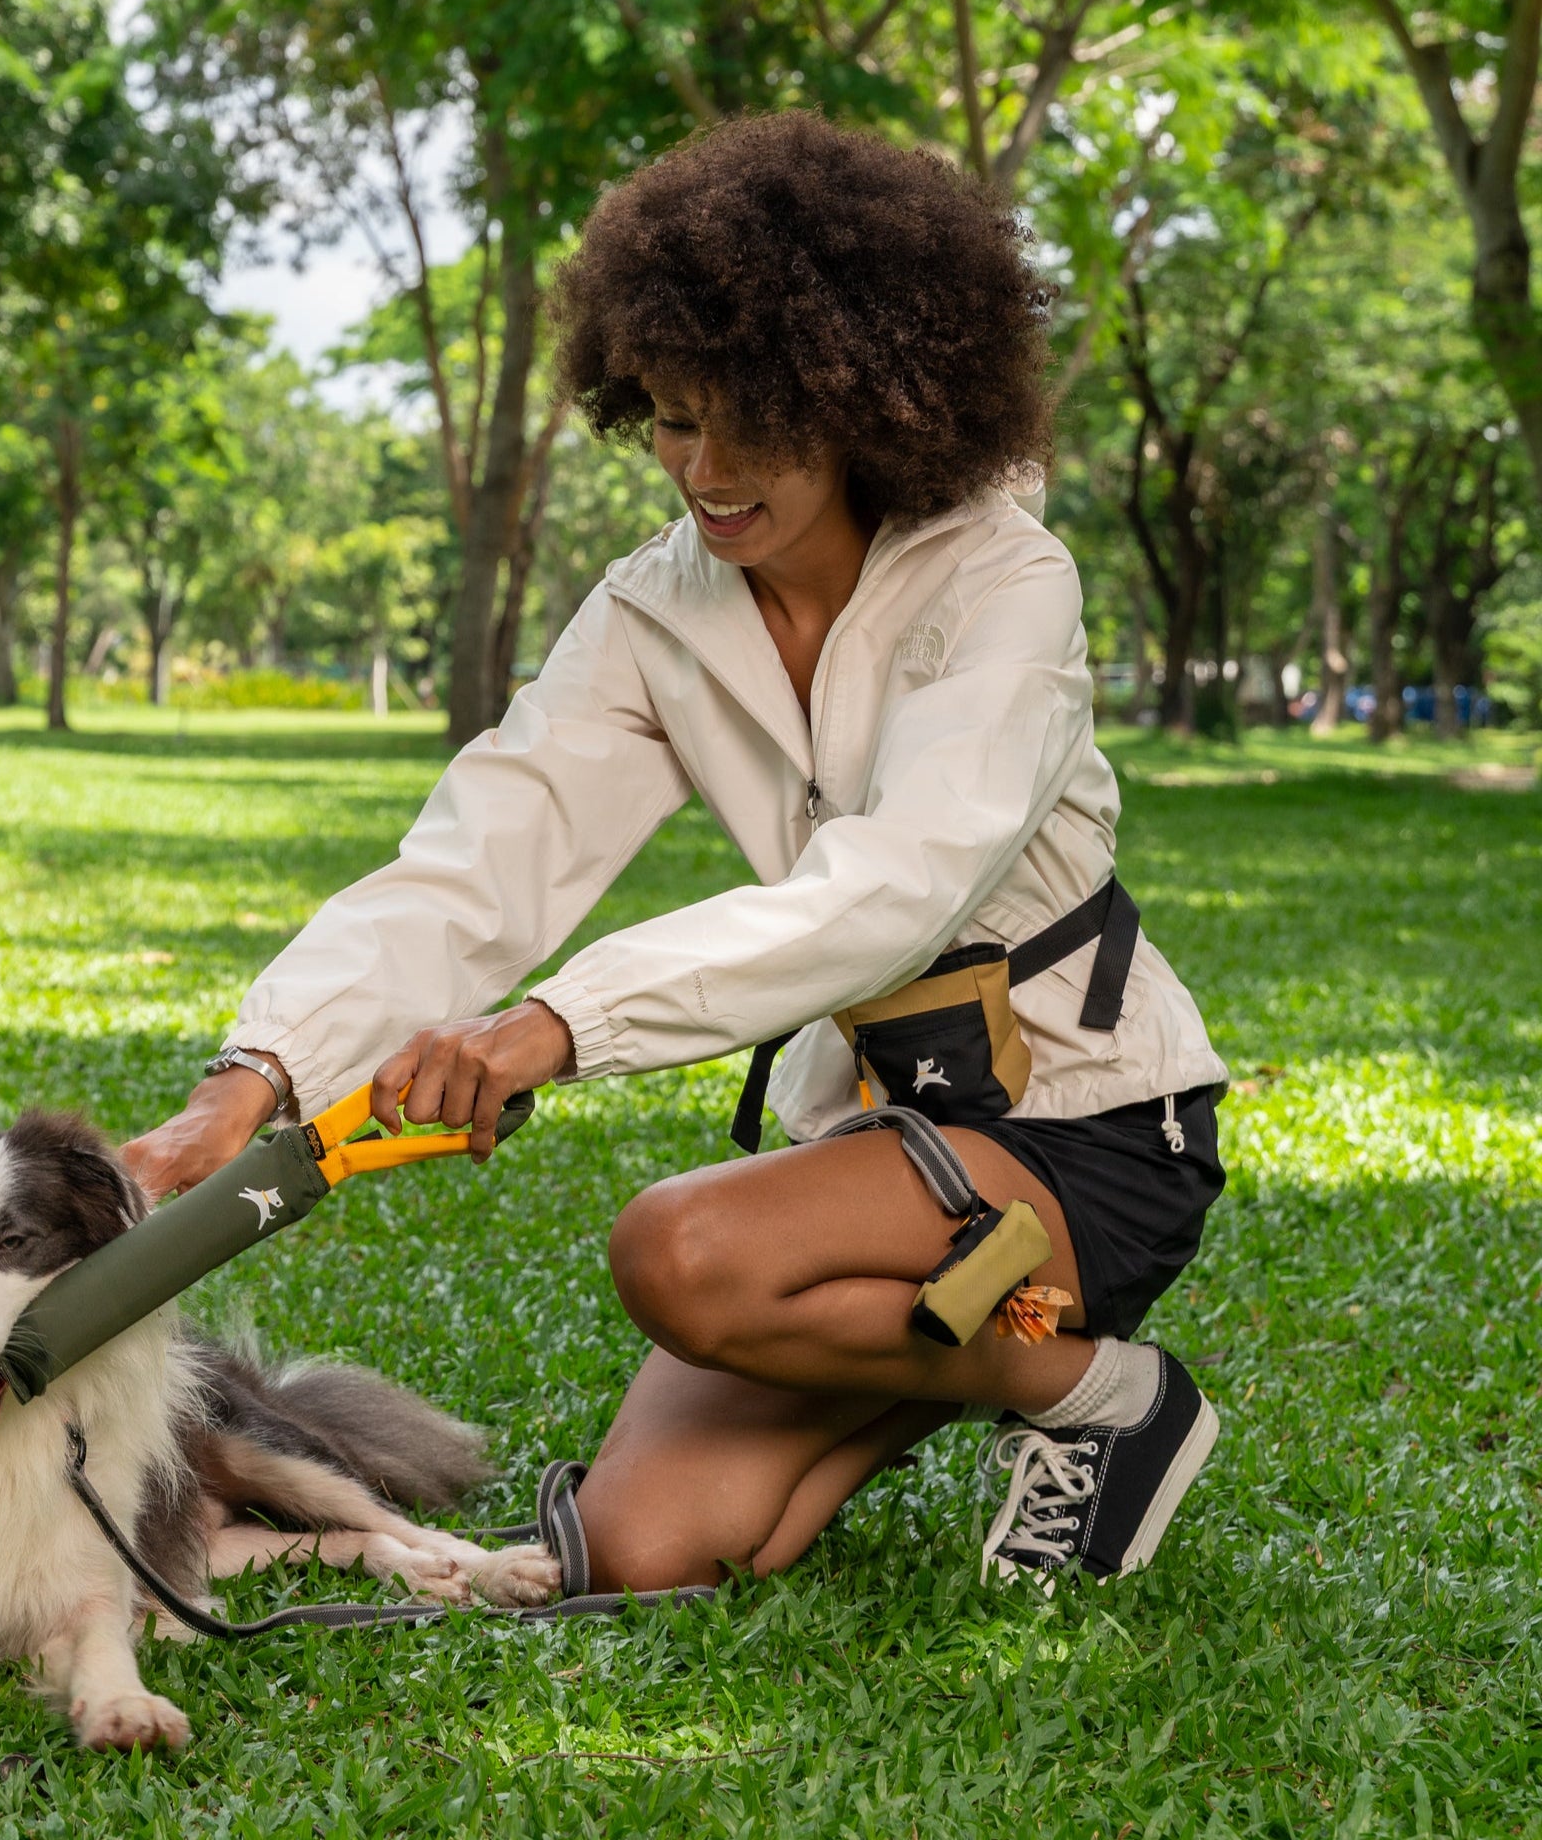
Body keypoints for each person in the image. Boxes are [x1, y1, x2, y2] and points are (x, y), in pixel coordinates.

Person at [121, 112, 1227, 1591]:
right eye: (668, 416)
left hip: (1088, 1130)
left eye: (749, 420)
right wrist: (245, 1090)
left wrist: (552, 1030)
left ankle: (1094, 1399)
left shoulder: (1005, 581)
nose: (703, 468)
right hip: (878, 1145)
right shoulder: (658, 607)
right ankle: (958, 1351)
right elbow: (482, 856)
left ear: (865, 396)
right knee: (643, 1553)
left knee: (684, 1255)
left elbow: (900, 886)